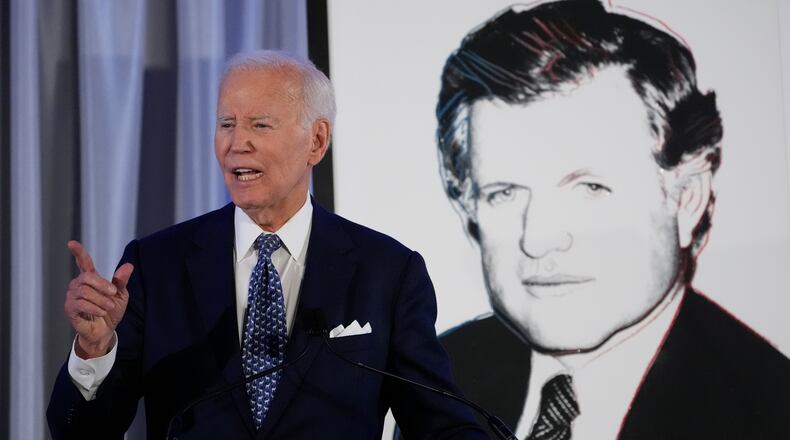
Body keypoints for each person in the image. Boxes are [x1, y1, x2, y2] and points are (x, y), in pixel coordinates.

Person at [47, 50, 486, 439]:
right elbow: (83, 432)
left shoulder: (387, 272)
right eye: (226, 124)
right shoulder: (156, 265)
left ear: (316, 141)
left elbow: (440, 421)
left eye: (260, 124)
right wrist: (95, 350)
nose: (238, 143)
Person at [435, 1, 790, 439]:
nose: (539, 238)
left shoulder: (768, 409)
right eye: (504, 193)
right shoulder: (437, 377)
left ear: (686, 198)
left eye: (590, 188)